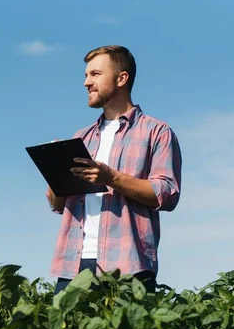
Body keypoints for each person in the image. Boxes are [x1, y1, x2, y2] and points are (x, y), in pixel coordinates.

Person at [47, 45, 182, 295]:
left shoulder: (157, 133)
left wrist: (111, 178)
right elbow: (58, 205)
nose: (87, 82)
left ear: (121, 78)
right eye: (86, 75)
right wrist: (55, 177)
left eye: (95, 74)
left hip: (128, 267)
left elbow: (167, 194)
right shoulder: (81, 138)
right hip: (73, 268)